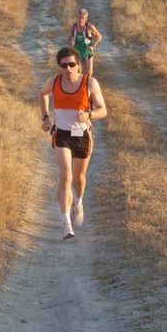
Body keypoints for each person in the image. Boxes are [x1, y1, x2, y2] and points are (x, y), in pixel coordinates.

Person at [39, 47, 107, 239]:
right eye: (63, 65)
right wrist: (45, 118)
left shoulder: (90, 83)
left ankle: (78, 201)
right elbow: (42, 94)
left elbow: (103, 110)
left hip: (82, 134)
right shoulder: (54, 82)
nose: (68, 69)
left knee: (79, 178)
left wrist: (89, 114)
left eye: (71, 65)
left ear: (79, 65)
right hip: (61, 134)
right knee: (66, 175)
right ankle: (66, 224)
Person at [68, 8, 103, 77]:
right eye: (80, 18)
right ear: (77, 17)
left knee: (89, 74)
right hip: (77, 53)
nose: (81, 20)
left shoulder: (90, 27)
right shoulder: (73, 27)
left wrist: (93, 46)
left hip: (88, 53)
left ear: (86, 18)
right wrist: (71, 42)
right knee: (78, 74)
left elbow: (99, 37)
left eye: (83, 18)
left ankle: (86, 86)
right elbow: (69, 38)